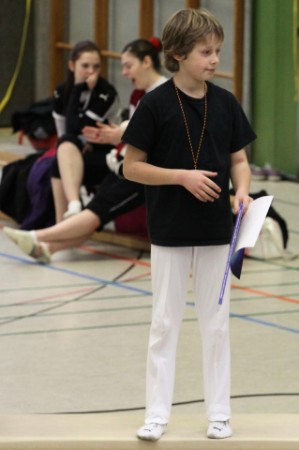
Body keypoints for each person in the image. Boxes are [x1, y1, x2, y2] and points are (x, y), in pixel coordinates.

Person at [122, 9, 256, 441]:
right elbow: (131, 168)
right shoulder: (155, 105)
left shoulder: (226, 103)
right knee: (164, 323)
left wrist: (241, 191)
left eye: (217, 51)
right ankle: (157, 414)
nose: (215, 59)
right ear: (178, 54)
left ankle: (220, 413)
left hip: (218, 235)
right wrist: (181, 176)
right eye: (206, 52)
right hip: (170, 233)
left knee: (216, 325)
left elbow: (239, 159)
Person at [3, 38, 167, 264]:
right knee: (63, 159)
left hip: (144, 173)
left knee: (97, 211)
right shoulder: (139, 94)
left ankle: (38, 235)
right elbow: (69, 132)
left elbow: (153, 139)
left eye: (128, 66)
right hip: (123, 163)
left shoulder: (161, 95)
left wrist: (117, 136)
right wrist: (114, 137)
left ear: (147, 62)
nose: (124, 73)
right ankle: (51, 242)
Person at [51, 40, 120, 222]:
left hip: (108, 151)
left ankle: (73, 208)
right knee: (59, 155)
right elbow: (63, 131)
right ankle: (64, 218)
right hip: (75, 147)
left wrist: (78, 88)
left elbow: (75, 127)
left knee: (60, 159)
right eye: (85, 66)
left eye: (96, 66)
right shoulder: (61, 91)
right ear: (72, 65)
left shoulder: (106, 92)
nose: (91, 71)